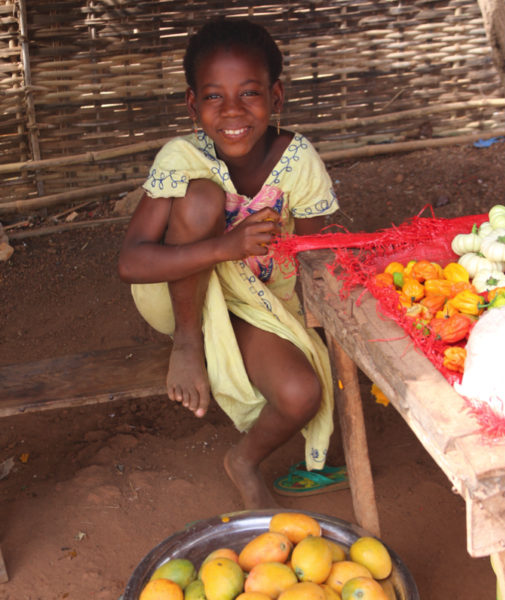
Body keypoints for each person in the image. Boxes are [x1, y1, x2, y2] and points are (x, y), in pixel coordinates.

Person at [118, 19, 339, 510]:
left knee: (302, 393)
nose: (234, 111)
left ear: (276, 97)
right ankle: (190, 342)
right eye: (215, 97)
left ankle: (243, 459)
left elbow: (321, 256)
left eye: (251, 93)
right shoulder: (183, 157)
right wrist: (226, 246)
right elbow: (132, 263)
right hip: (179, 293)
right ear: (193, 105)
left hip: (257, 303)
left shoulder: (298, 162)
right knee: (201, 198)